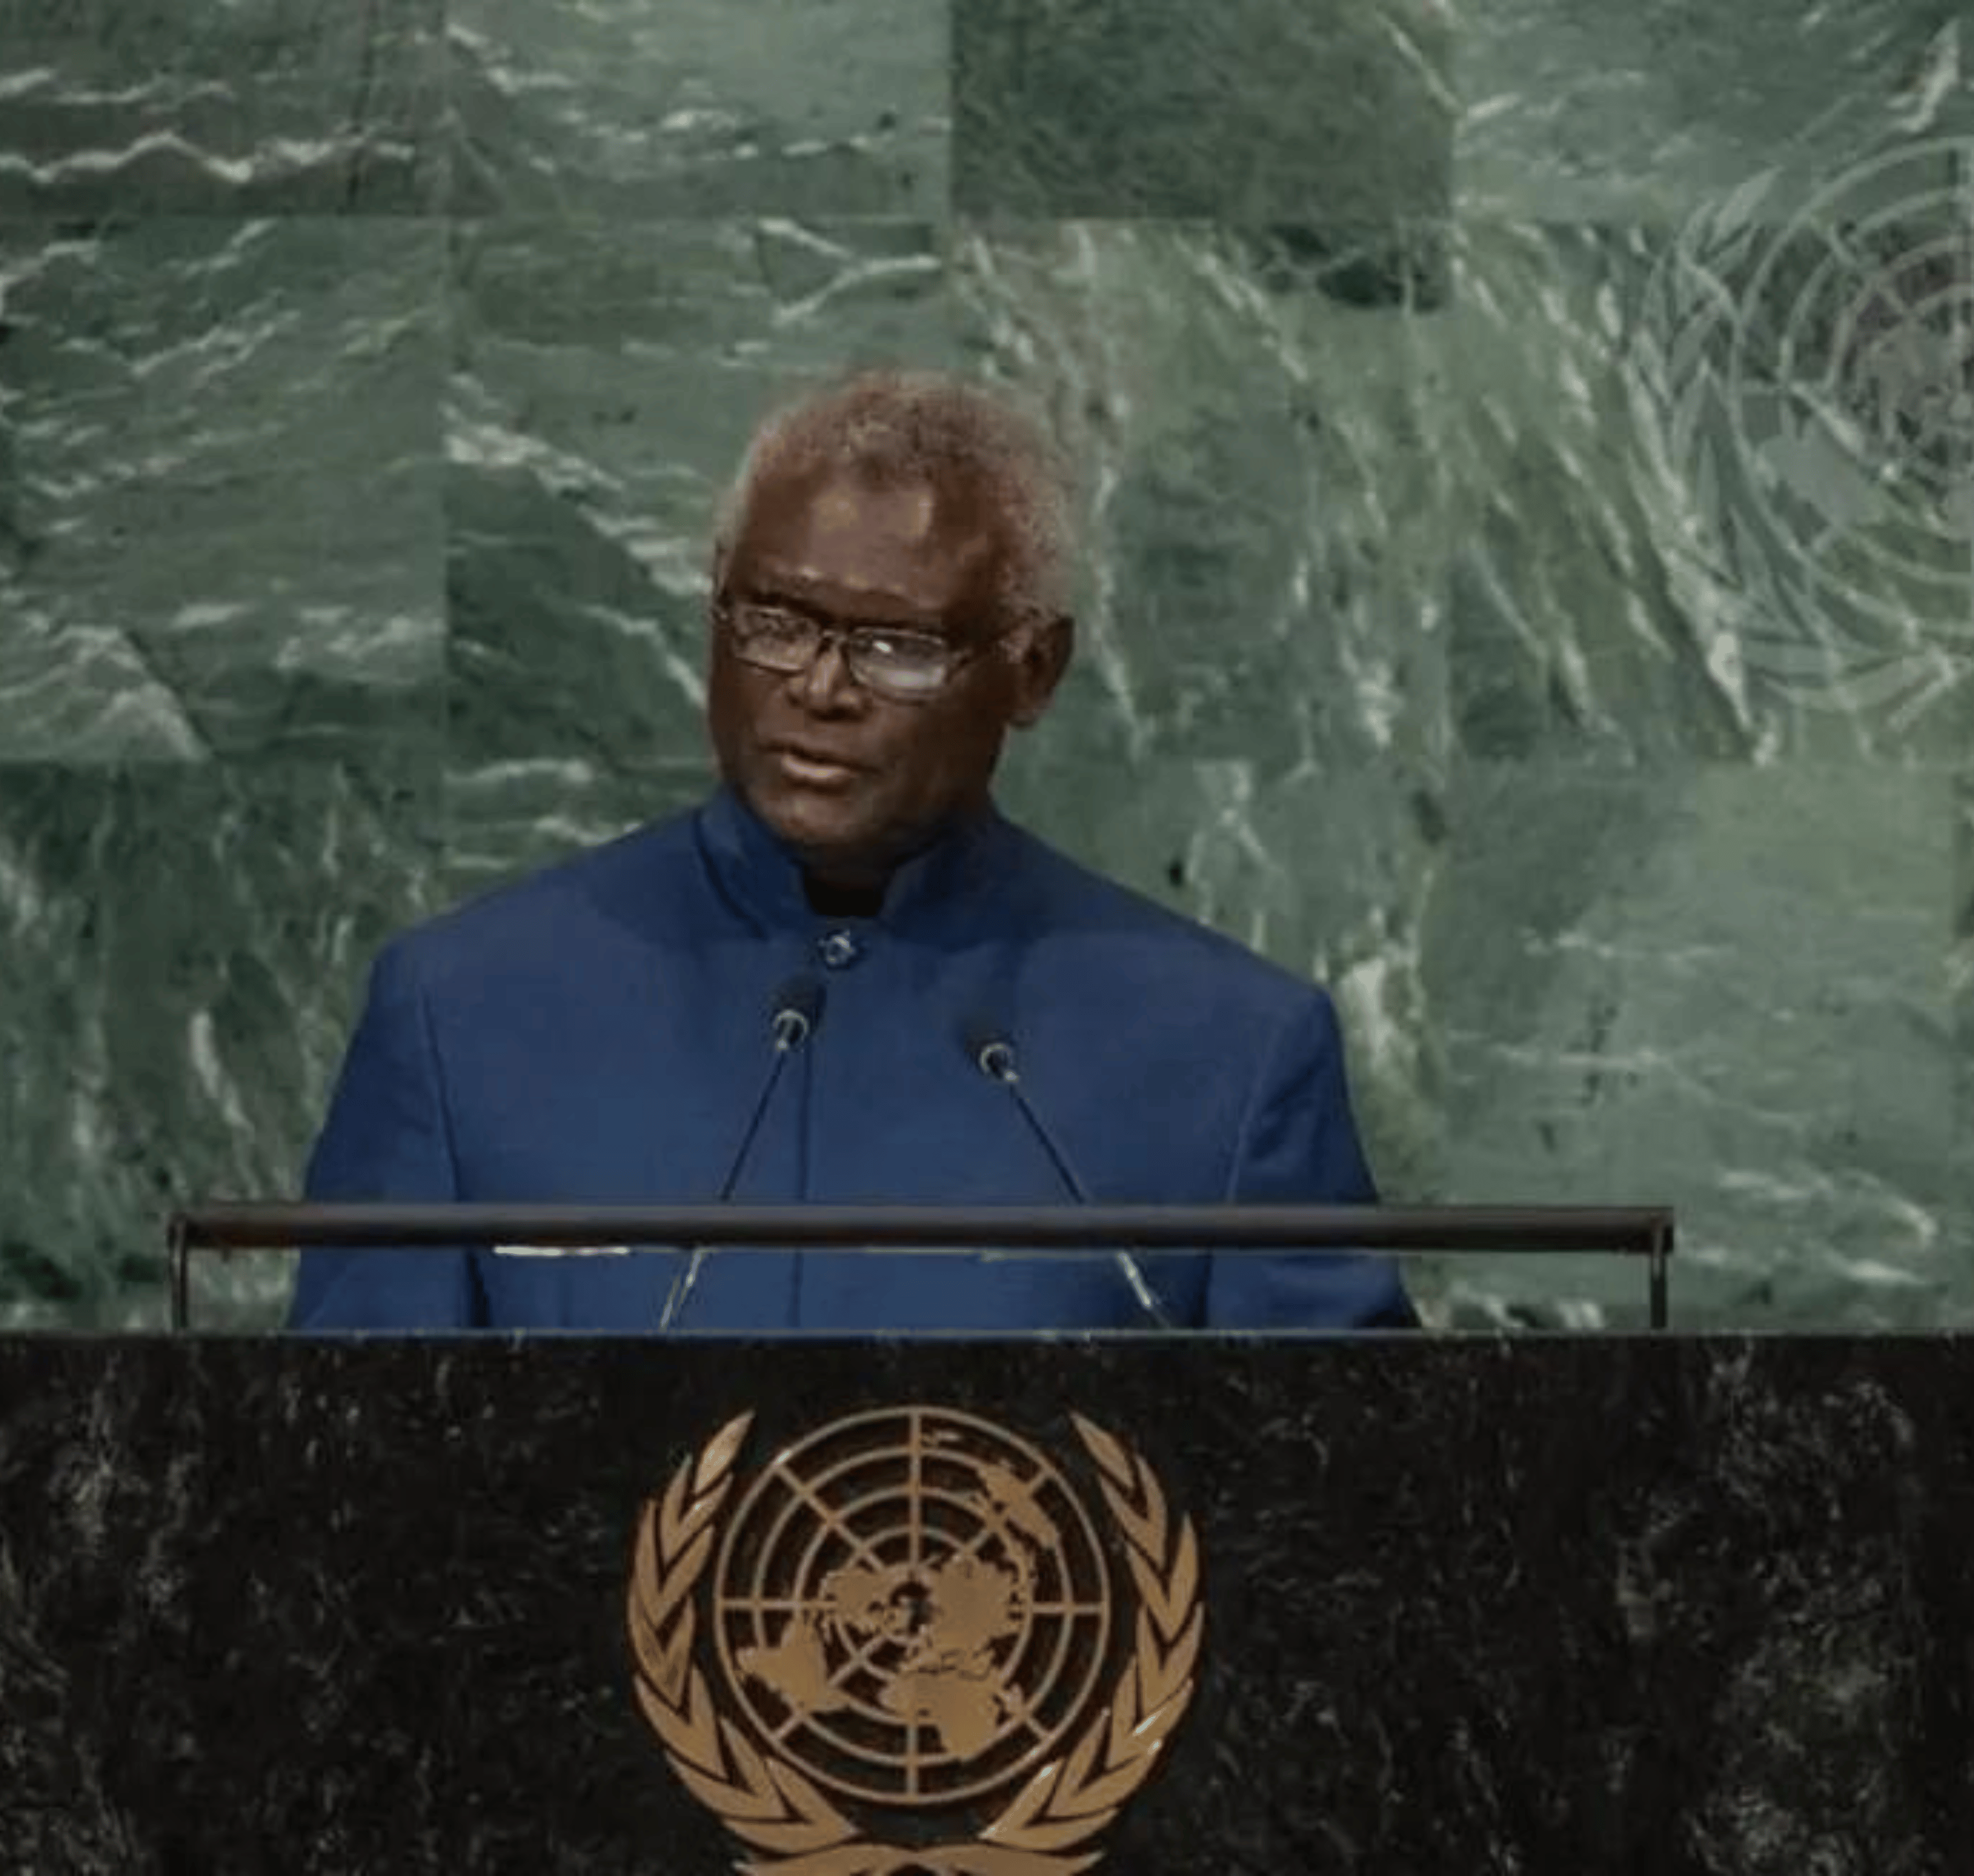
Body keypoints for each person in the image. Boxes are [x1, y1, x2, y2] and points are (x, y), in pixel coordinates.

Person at [288, 368, 1416, 1332]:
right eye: (773, 624)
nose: (820, 689)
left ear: (1034, 672)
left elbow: (1346, 1528)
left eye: (897, 647)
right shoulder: (463, 1012)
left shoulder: (1228, 1051)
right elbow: (340, 1496)